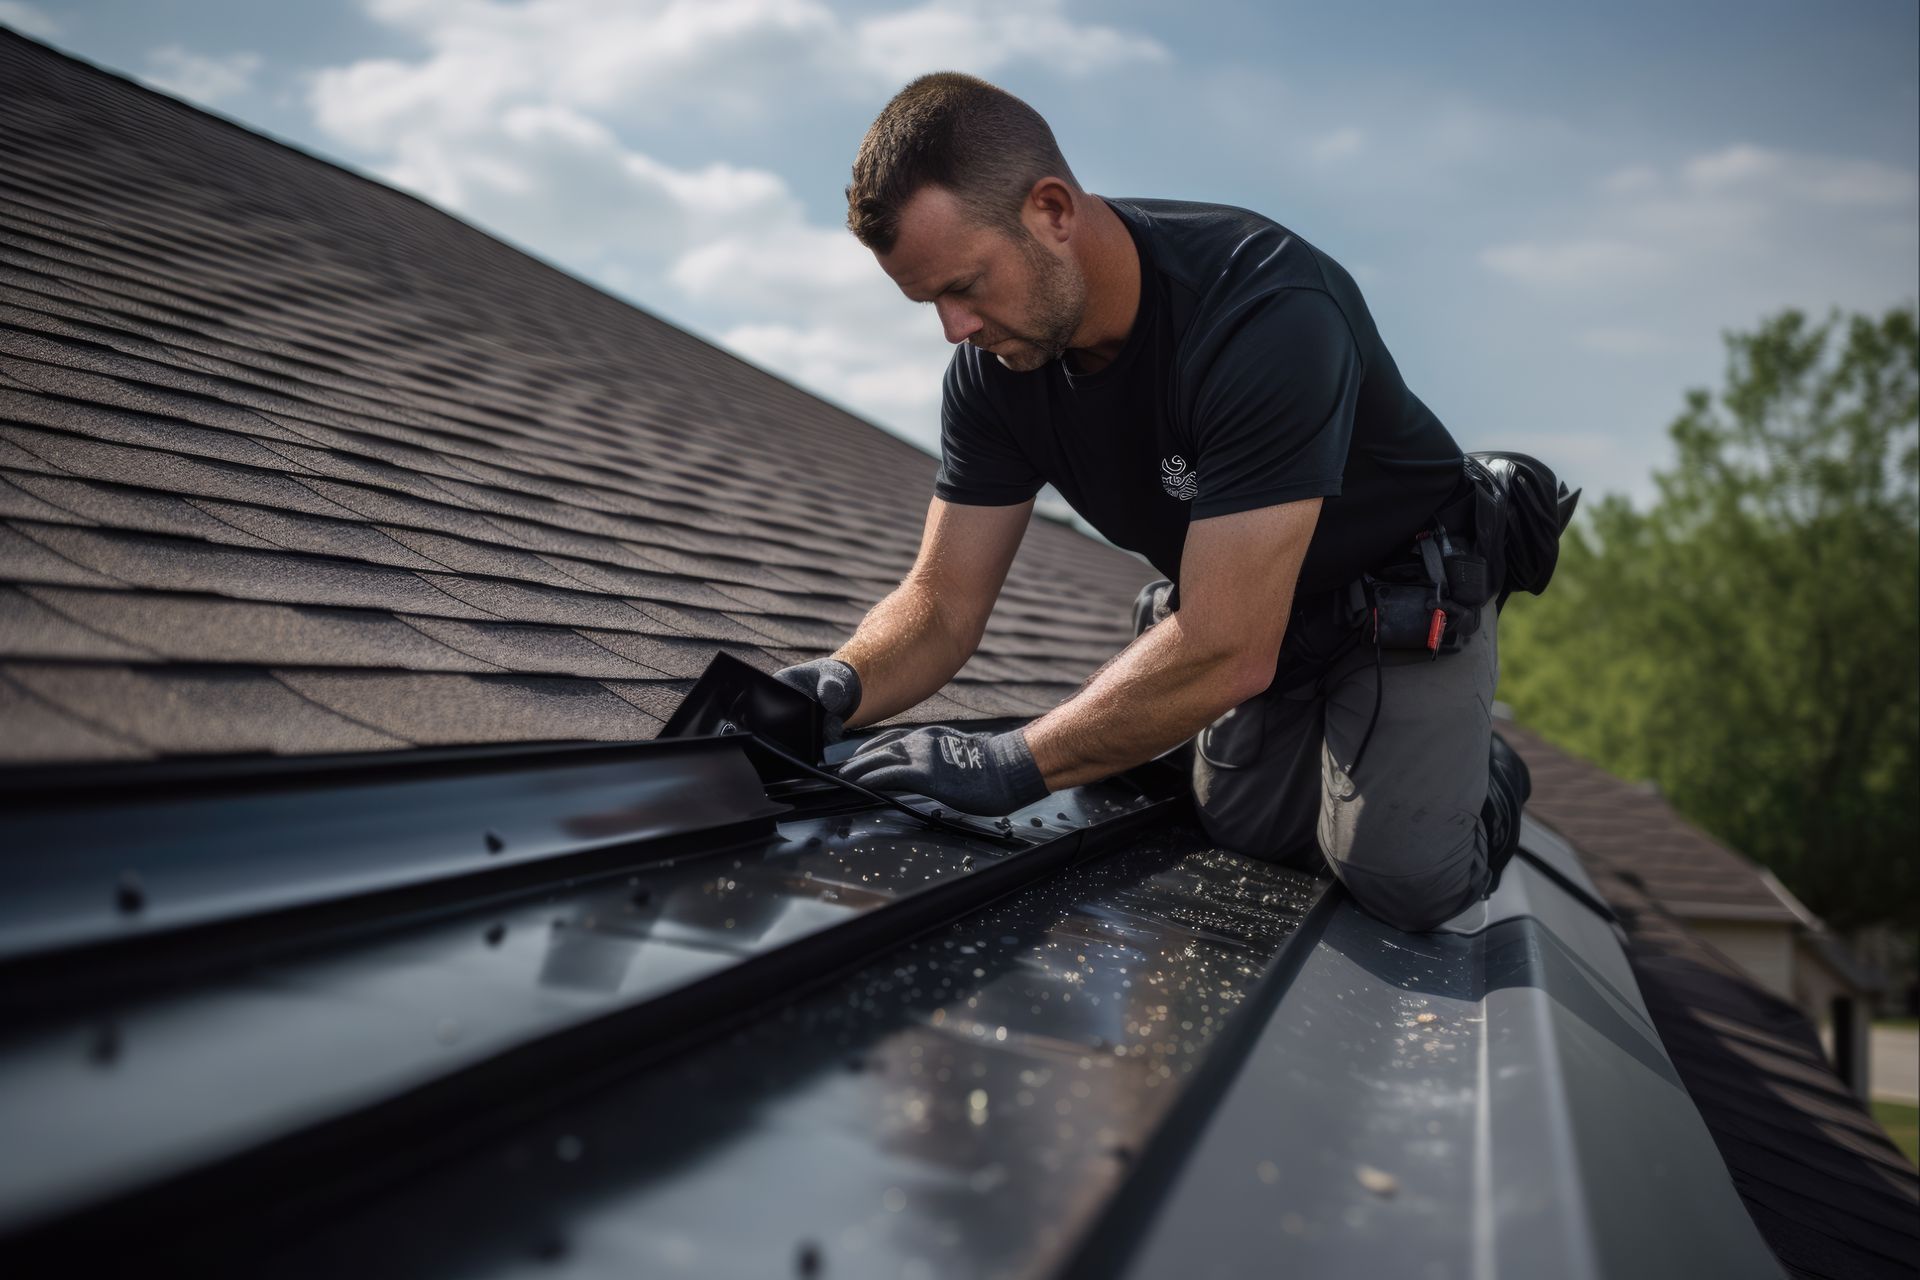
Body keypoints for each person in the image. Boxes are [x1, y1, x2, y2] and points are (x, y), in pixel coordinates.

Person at [774, 72, 1530, 933]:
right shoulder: (995, 374)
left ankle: (1487, 773)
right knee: (1245, 831)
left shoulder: (1266, 312)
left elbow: (1226, 646)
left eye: (967, 286)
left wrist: (1011, 763)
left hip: (1398, 595)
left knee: (1399, 878)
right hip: (1259, 611)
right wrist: (839, 681)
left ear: (1052, 210)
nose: (954, 329)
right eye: (929, 302)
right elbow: (942, 603)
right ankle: (1371, 760)